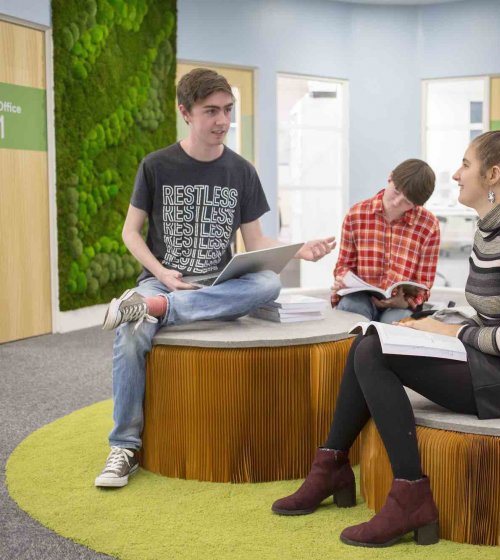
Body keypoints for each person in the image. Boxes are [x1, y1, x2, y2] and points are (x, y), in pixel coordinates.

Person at [271, 129, 500, 548]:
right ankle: (332, 464)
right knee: (372, 338)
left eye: (465, 164)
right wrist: (433, 324)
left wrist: (445, 330)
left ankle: (409, 493)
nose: (455, 174)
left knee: (376, 352)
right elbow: (489, 316)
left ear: (493, 176)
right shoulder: (489, 231)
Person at [94, 68, 335, 488]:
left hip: (220, 284)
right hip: (162, 280)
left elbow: (254, 240)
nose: (222, 121)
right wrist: (162, 274)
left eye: (227, 110)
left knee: (269, 283)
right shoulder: (156, 165)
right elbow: (130, 233)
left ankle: (161, 310)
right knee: (131, 333)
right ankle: (124, 447)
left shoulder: (241, 171)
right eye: (211, 111)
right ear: (185, 112)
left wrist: (296, 249)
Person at [332, 159, 440, 323]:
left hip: (399, 304)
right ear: (390, 178)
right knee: (352, 309)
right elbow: (343, 266)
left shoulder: (429, 225)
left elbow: (424, 283)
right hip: (361, 297)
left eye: (407, 202)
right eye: (396, 191)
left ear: (416, 205)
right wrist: (342, 280)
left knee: (396, 324)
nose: (397, 202)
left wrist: (406, 302)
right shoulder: (356, 214)